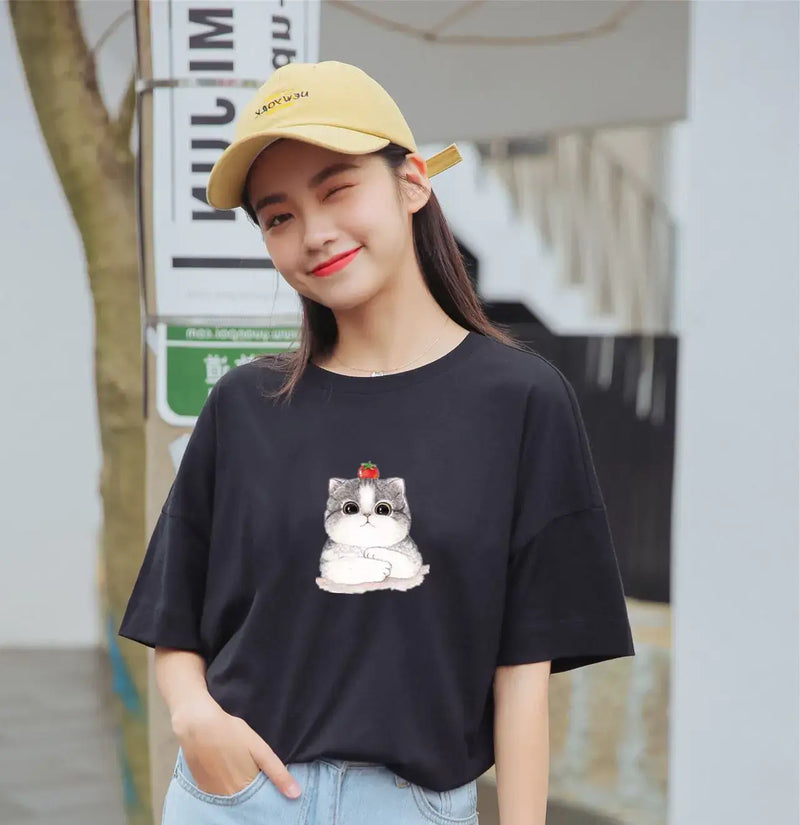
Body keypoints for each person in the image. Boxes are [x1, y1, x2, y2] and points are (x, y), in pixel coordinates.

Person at [119, 60, 635, 825]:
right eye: (278, 216)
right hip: (235, 797)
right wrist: (197, 720)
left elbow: (523, 673)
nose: (313, 232)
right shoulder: (244, 405)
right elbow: (176, 617)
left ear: (413, 181)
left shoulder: (522, 401)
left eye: (336, 189)